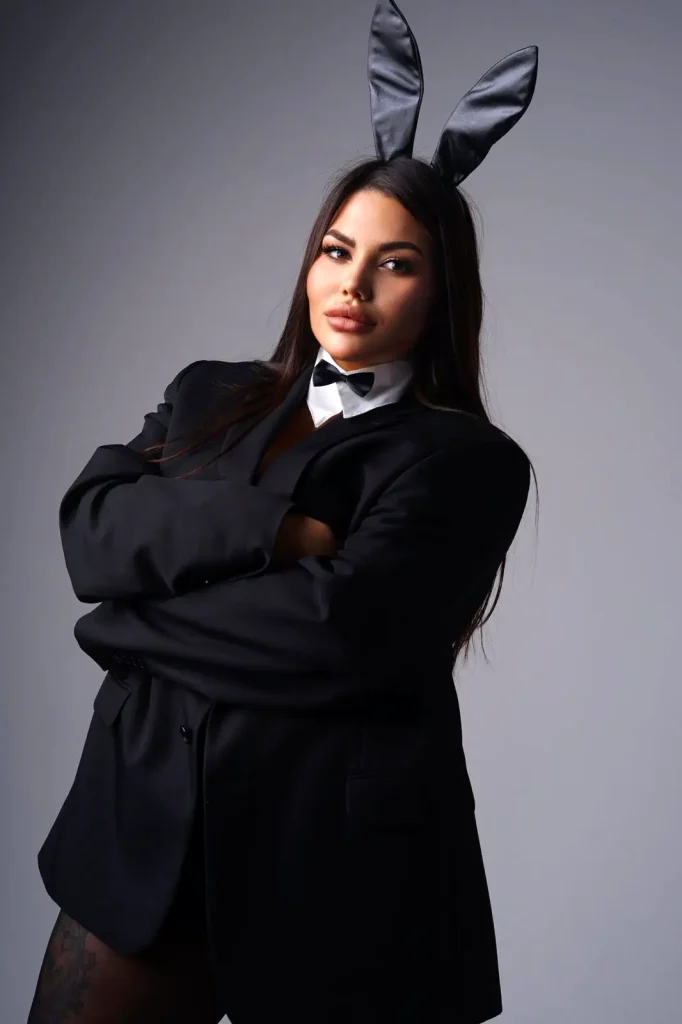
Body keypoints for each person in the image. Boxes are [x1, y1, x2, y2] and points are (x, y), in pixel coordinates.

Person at [27, 3, 539, 1022]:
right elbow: (93, 530)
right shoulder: (206, 395)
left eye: (397, 263)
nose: (354, 284)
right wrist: (279, 535)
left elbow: (337, 636)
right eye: (337, 251)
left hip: (336, 875)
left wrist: (128, 623)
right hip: (142, 837)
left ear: (442, 291)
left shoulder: (469, 463)